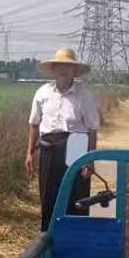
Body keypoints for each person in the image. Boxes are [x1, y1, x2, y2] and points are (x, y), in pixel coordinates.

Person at [26, 48, 100, 231]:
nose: (63, 70)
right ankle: (49, 239)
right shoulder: (42, 93)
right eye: (60, 66)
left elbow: (92, 129)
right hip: (48, 148)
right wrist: (29, 153)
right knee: (49, 196)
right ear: (53, 69)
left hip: (76, 146)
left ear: (74, 70)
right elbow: (34, 124)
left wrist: (89, 160)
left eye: (68, 66)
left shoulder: (84, 95)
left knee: (77, 196)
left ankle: (76, 238)